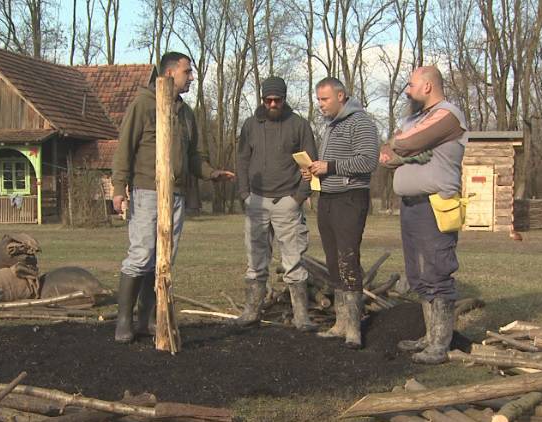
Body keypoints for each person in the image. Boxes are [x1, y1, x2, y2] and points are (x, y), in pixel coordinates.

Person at [111, 52, 235, 343]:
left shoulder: (186, 113)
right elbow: (124, 150)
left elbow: (194, 156)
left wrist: (210, 173)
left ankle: (147, 319)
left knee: (162, 260)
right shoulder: (143, 105)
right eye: (187, 72)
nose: (191, 77)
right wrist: (119, 189)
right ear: (168, 74)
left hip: (176, 195)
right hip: (146, 192)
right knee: (141, 256)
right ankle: (123, 321)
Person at [381, 66, 467, 364]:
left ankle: (440, 345)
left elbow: (402, 144)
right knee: (418, 273)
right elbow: (386, 156)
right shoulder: (413, 119)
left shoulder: (448, 115)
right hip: (411, 205)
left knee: (437, 270)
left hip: (436, 204)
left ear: (428, 86)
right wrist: (409, 148)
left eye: (411, 84)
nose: (407, 89)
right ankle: (429, 337)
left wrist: (405, 146)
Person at [234, 76, 318, 331]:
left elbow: (310, 163)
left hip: (288, 202)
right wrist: (245, 195)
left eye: (277, 100)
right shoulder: (250, 125)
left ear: (284, 98)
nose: (272, 104)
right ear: (262, 99)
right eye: (268, 100)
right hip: (256, 202)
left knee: (293, 261)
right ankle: (251, 312)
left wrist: (299, 197)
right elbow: (242, 161)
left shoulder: (299, 125)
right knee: (256, 261)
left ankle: (301, 316)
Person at [303, 77, 379, 349]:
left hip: (350, 198)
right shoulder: (331, 127)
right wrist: (314, 170)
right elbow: (330, 165)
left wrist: (330, 167)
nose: (320, 105)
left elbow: (368, 161)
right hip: (328, 198)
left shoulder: (361, 123)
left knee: (348, 260)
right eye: (318, 99)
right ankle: (340, 323)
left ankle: (354, 329)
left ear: (341, 96)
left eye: (324, 99)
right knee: (334, 262)